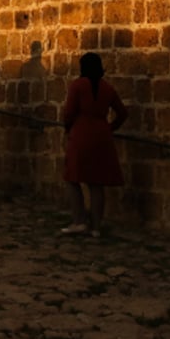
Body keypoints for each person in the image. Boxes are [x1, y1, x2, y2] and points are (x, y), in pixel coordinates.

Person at [60, 52, 128, 238]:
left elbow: (69, 112)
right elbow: (122, 113)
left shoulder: (78, 86)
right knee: (96, 182)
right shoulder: (108, 88)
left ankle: (79, 221)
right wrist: (109, 128)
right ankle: (96, 226)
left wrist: (67, 129)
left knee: (73, 178)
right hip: (102, 135)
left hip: (81, 133)